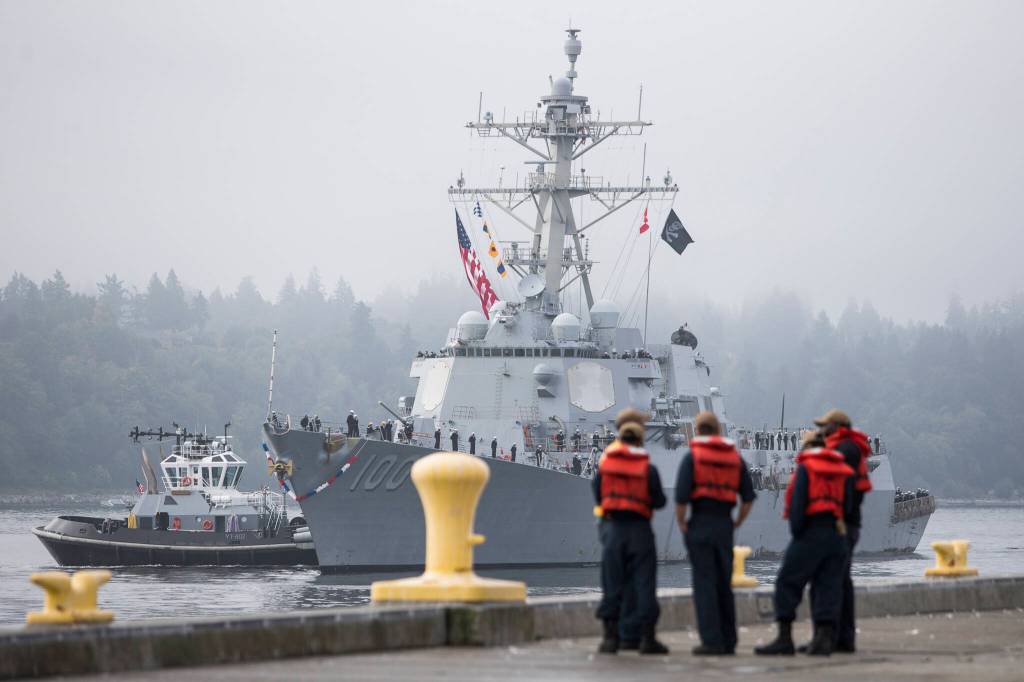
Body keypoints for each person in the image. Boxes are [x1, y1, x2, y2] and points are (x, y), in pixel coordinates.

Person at [755, 431, 854, 657]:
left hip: (811, 532)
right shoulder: (843, 471)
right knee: (827, 585)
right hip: (837, 535)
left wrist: (799, 533)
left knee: (786, 582)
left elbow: (797, 505)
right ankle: (824, 639)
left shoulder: (806, 469)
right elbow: (849, 506)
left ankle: (784, 637)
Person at [675, 411, 756, 655]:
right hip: (724, 525)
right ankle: (729, 640)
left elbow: (681, 498)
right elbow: (749, 498)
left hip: (699, 524)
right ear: (719, 431)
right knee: (724, 584)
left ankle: (711, 642)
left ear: (697, 431)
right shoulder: (735, 459)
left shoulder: (692, 458)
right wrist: (736, 522)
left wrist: (682, 523)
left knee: (704, 585)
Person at [593, 408, 668, 655]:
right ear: (640, 437)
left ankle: (610, 639)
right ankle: (647, 639)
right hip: (640, 531)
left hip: (613, 529)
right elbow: (659, 500)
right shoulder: (648, 468)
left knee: (612, 584)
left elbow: (598, 494)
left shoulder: (605, 466)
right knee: (644, 584)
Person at [814, 409, 873, 653]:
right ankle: (843, 638)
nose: (822, 431)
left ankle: (828, 637)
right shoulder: (849, 448)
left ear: (837, 426)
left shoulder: (845, 450)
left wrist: (835, 520)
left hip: (841, 524)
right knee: (842, 581)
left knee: (829, 580)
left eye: (826, 426)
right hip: (847, 523)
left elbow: (843, 488)